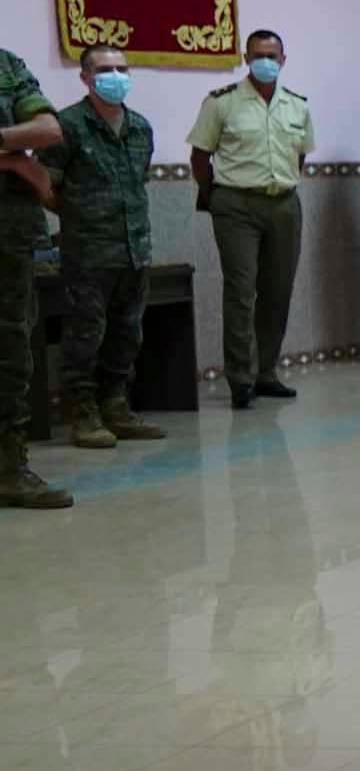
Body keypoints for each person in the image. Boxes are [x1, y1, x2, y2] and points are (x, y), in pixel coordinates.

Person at [45, 45, 165, 452]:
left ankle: (116, 408)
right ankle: (83, 415)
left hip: (134, 248)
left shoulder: (141, 127)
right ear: (85, 77)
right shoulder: (67, 125)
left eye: (121, 68)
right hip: (88, 251)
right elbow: (46, 185)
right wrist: (79, 214)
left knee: (127, 333)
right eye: (104, 69)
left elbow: (138, 182)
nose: (115, 76)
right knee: (85, 335)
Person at [186, 29, 312, 410]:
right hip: (235, 205)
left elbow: (300, 157)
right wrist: (216, 197)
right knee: (241, 290)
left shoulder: (297, 105)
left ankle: (266, 373)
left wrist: (283, 185)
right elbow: (199, 157)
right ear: (246, 58)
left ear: (283, 60)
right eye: (258, 55)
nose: (265, 62)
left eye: (272, 56)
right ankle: (241, 380)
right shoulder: (221, 102)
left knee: (278, 291)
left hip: (284, 205)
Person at [0, 46, 74, 509]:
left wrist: (5, 146)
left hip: (9, 232)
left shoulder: (6, 65)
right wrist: (14, 157)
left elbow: (48, 129)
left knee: (11, 353)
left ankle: (10, 469)